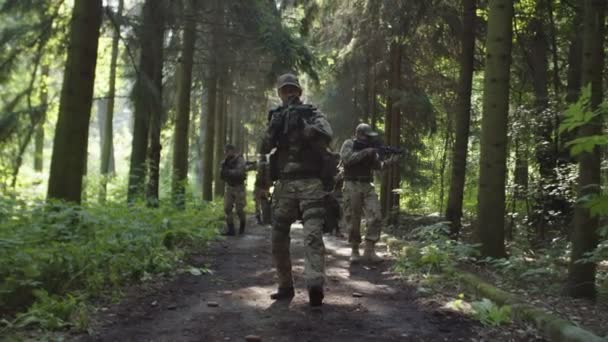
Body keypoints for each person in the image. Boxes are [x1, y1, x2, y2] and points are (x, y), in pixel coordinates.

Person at [259, 73, 334, 307]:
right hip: (285, 185)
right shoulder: (276, 116)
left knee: (312, 236)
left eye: (293, 90)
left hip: (311, 183)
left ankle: (314, 285)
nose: (289, 93)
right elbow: (263, 147)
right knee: (278, 237)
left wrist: (305, 127)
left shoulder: (312, 113)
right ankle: (285, 285)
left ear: (299, 92)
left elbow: (327, 137)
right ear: (280, 93)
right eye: (285, 90)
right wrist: (275, 126)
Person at [340, 123, 398, 263]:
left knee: (376, 215)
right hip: (351, 184)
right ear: (359, 134)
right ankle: (354, 250)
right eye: (366, 136)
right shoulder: (349, 144)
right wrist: (366, 152)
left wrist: (390, 162)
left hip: (367, 185)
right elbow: (347, 159)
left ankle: (369, 250)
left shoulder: (370, 149)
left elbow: (378, 166)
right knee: (353, 219)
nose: (368, 139)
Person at [220, 144, 247, 236]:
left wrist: (228, 172)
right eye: (225, 152)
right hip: (229, 187)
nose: (226, 154)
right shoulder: (225, 161)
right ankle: (231, 229)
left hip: (239, 187)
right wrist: (223, 170)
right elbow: (222, 175)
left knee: (239, 209)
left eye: (227, 151)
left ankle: (242, 225)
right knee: (227, 208)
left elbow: (240, 173)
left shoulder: (240, 160)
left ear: (232, 151)